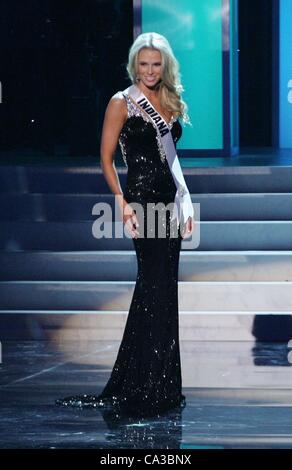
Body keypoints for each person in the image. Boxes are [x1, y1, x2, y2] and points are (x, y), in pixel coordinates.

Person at [56, 32, 195, 418]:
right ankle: (144, 383)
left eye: (156, 64)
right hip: (140, 201)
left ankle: (161, 383)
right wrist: (121, 202)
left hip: (168, 202)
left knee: (165, 287)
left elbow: (172, 162)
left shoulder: (168, 99)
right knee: (152, 284)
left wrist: (185, 204)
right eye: (143, 64)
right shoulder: (121, 102)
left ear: (164, 66)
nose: (150, 71)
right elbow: (105, 159)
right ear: (134, 65)